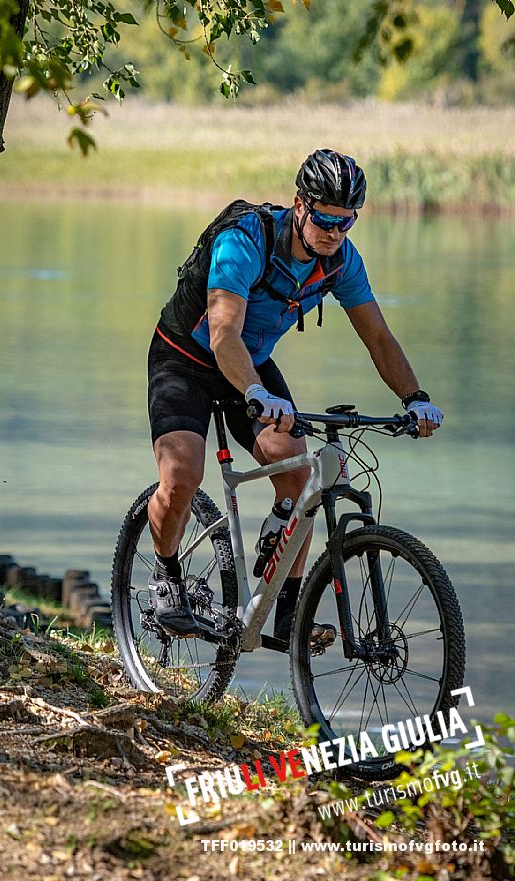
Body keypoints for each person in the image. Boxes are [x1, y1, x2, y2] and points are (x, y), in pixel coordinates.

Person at [146, 149, 443, 638]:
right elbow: (222, 334)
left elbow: (379, 339)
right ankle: (165, 573)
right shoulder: (243, 243)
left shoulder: (340, 262)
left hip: (250, 365)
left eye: (347, 223)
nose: (334, 233)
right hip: (185, 358)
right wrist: (258, 393)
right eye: (326, 220)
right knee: (182, 475)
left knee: (302, 475)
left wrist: (414, 398)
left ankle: (285, 612)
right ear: (300, 205)